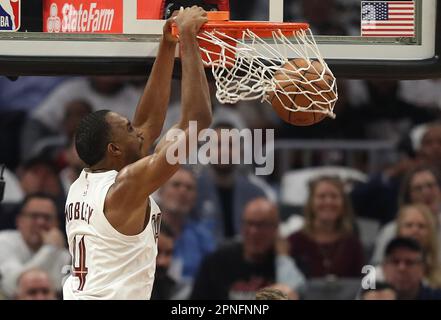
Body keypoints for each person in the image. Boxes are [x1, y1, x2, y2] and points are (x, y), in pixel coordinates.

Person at [62, 6, 212, 300]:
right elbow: (197, 122)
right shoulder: (125, 186)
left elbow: (148, 122)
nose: (139, 132)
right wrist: (189, 39)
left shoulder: (83, 184)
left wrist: (168, 45)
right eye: (129, 129)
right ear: (114, 149)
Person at [191, 198, 305, 300]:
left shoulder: (289, 262)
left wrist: (283, 259)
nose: (253, 231)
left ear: (276, 229)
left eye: (261, 225)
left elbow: (295, 294)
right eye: (249, 224)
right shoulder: (216, 262)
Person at [288, 176, 364, 278]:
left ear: (344, 203)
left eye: (334, 196)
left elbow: (361, 284)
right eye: (321, 196)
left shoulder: (352, 244)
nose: (328, 202)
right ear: (311, 203)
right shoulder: (294, 242)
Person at [0, 193, 70, 298]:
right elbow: (13, 285)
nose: (41, 222)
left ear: (56, 223)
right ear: (19, 221)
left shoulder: (64, 254)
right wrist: (50, 248)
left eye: (47, 217)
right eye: (34, 216)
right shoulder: (4, 241)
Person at [371, 166, 441, 265]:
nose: (426, 192)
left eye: (430, 186)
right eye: (418, 188)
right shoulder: (390, 231)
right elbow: (377, 270)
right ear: (408, 196)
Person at [158, 167, 215, 281]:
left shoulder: (203, 238)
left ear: (195, 197)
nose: (183, 191)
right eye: (176, 185)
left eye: (189, 188)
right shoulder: (144, 231)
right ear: (160, 191)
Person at [372, 204, 441, 288]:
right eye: (409, 225)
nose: (415, 230)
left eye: (421, 226)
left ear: (430, 233)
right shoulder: (377, 275)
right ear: (399, 230)